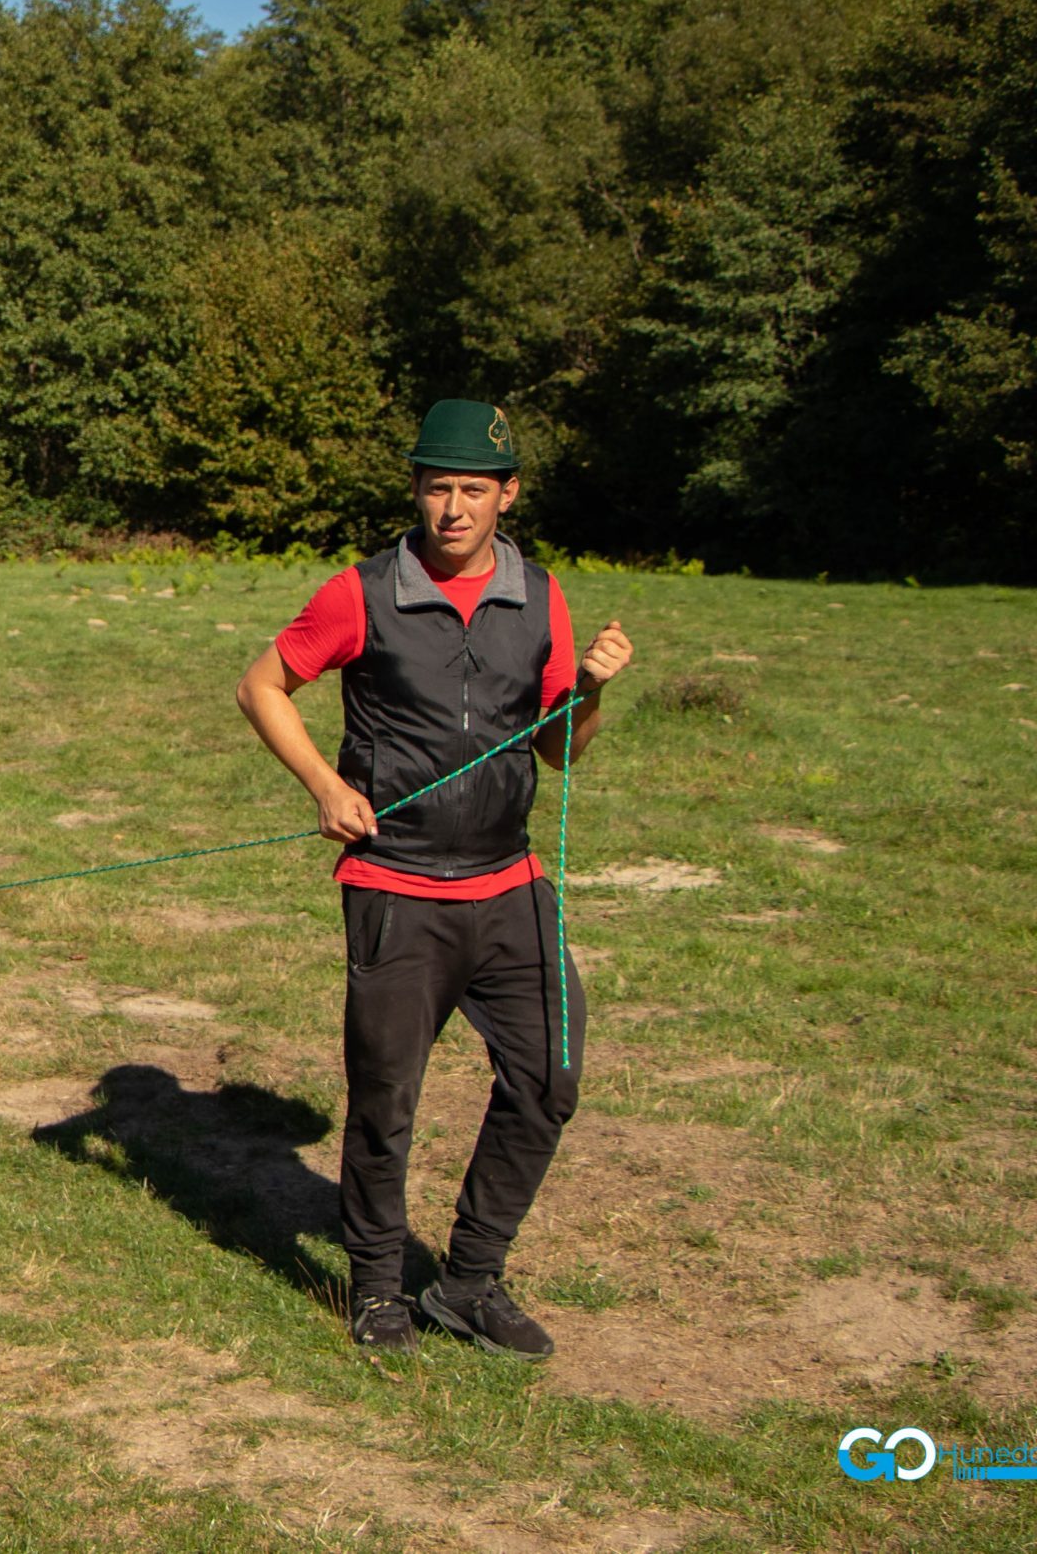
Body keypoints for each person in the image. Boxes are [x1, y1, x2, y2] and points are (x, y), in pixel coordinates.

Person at [235, 399, 633, 1358]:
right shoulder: (361, 593)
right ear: (416, 489)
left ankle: (468, 1281)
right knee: (385, 1099)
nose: (452, 508)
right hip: (397, 886)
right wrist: (325, 786)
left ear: (508, 494)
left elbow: (558, 753)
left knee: (549, 1076)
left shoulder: (540, 596)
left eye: (472, 489)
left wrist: (589, 693)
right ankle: (375, 1287)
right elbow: (261, 684)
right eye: (436, 486)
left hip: (509, 885)